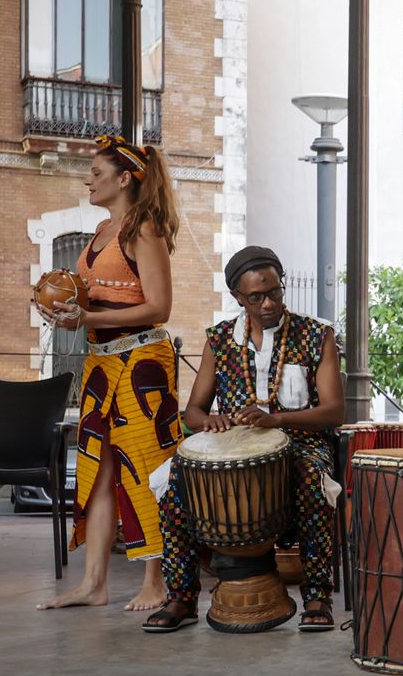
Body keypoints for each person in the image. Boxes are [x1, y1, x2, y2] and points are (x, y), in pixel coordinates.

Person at [141, 246, 345, 632]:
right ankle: (182, 597)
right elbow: (193, 411)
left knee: (312, 483)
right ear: (238, 297)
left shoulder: (317, 334)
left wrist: (276, 419)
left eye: (275, 292)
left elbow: (334, 411)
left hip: (302, 442)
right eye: (257, 296)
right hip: (234, 446)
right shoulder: (219, 340)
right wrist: (210, 421)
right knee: (172, 483)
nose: (269, 302)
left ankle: (317, 594)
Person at [34, 135, 182, 612]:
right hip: (101, 362)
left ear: (123, 179)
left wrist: (87, 319)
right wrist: (58, 304)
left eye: (97, 173)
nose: (88, 180)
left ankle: (155, 583)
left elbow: (159, 306)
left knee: (147, 470)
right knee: (98, 472)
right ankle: (93, 584)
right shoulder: (100, 228)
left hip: (142, 364)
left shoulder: (146, 229)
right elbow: (92, 294)